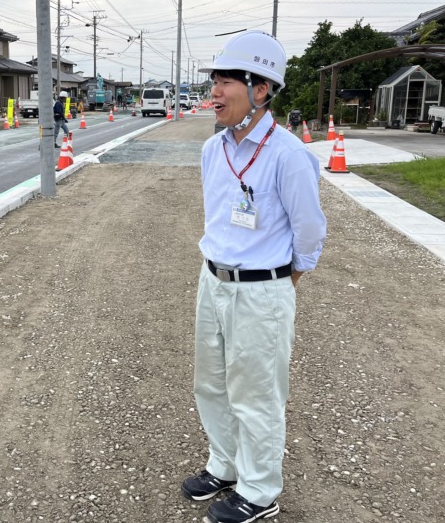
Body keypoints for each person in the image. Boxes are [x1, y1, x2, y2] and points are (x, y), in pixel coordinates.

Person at [181, 30, 327, 523]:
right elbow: (217, 216)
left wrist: (290, 277)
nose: (214, 92)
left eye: (226, 81)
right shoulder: (212, 150)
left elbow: (309, 228)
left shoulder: (288, 155)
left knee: (258, 394)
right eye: (214, 80)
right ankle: (223, 465)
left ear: (261, 89)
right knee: (212, 384)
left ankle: (259, 491)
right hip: (212, 281)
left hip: (262, 290)